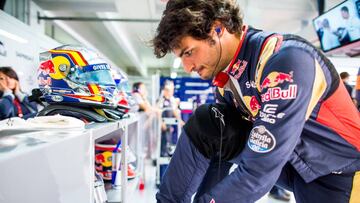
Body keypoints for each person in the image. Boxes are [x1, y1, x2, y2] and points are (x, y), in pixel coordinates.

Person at [152, 0, 360, 202]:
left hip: (341, 173)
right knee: (209, 121)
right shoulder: (228, 82)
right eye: (181, 57)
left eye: (189, 52)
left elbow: (258, 171)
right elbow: (222, 146)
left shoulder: (288, 59)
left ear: (217, 28)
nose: (187, 67)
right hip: (294, 167)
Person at [157, 80, 184, 156]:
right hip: (162, 130)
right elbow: (157, 111)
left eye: (172, 89)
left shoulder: (173, 100)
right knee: (163, 149)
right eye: (169, 90)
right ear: (164, 90)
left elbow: (176, 113)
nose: (171, 92)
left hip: (170, 129)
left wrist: (181, 122)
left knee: (170, 147)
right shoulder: (161, 100)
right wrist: (161, 123)